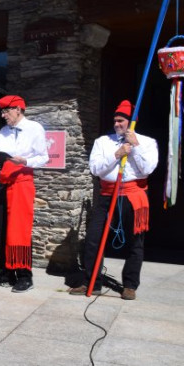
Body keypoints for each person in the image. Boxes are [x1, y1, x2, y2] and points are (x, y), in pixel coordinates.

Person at [69, 100, 158, 300]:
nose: (117, 124)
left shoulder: (148, 142)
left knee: (135, 243)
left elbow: (147, 170)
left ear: (132, 122)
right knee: (93, 239)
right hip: (107, 195)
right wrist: (118, 154)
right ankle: (92, 281)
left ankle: (130, 285)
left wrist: (134, 147)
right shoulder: (103, 142)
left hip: (133, 196)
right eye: (115, 121)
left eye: (121, 121)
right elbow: (95, 169)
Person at [0, 95, 48, 293]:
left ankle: (24, 275)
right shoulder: (3, 132)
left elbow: (43, 157)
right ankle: (6, 271)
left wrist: (24, 162)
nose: (3, 115)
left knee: (19, 230)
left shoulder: (35, 128)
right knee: (1, 229)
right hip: (3, 182)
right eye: (2, 111)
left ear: (18, 109)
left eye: (6, 111)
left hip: (22, 183)